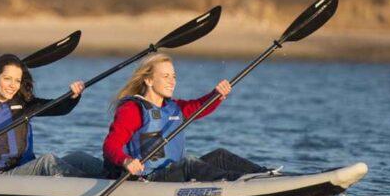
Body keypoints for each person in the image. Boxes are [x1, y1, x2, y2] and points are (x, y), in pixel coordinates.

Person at [102, 53, 268, 182]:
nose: (172, 82)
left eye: (173, 76)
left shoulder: (174, 107)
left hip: (171, 172)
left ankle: (265, 175)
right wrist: (126, 161)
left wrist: (217, 95)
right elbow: (110, 145)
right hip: (148, 177)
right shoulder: (132, 109)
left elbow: (198, 107)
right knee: (189, 163)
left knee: (220, 155)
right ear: (149, 80)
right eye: (165, 76)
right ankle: (237, 183)